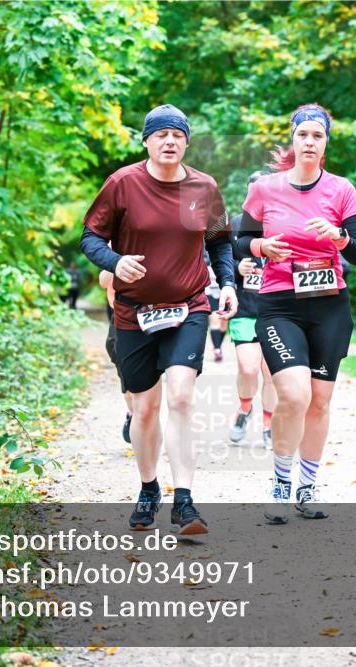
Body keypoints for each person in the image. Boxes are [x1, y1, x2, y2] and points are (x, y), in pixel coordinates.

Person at [80, 104, 237, 535]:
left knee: (181, 396)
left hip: (189, 306)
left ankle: (185, 501)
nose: (170, 141)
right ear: (146, 141)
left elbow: (221, 242)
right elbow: (90, 237)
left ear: (187, 142)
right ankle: (149, 489)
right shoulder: (122, 184)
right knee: (145, 409)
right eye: (161, 134)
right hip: (134, 312)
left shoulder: (204, 187)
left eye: (178, 135)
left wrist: (227, 284)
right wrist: (114, 260)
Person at [235, 103, 356, 523]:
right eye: (303, 135)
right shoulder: (265, 189)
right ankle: (279, 484)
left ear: (325, 143)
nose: (309, 142)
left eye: (318, 136)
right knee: (294, 394)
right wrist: (262, 247)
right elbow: (238, 239)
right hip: (279, 306)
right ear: (293, 141)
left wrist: (340, 236)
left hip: (329, 306)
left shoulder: (342, 189)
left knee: (320, 402)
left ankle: (306, 488)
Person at [228, 171, 276, 448]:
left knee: (270, 372)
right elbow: (214, 260)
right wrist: (238, 268)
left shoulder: (283, 222)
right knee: (248, 369)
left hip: (275, 310)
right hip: (245, 309)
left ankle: (269, 425)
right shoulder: (233, 225)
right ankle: (245, 409)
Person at [99, 269, 134, 443]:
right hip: (121, 311)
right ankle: (133, 413)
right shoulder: (115, 244)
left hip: (153, 310)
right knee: (118, 354)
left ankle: (146, 417)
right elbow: (104, 281)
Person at [205, 264, 228, 362]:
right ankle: (217, 349)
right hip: (210, 294)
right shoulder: (205, 259)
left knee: (224, 324)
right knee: (214, 320)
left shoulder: (225, 262)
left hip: (224, 294)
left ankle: (219, 345)